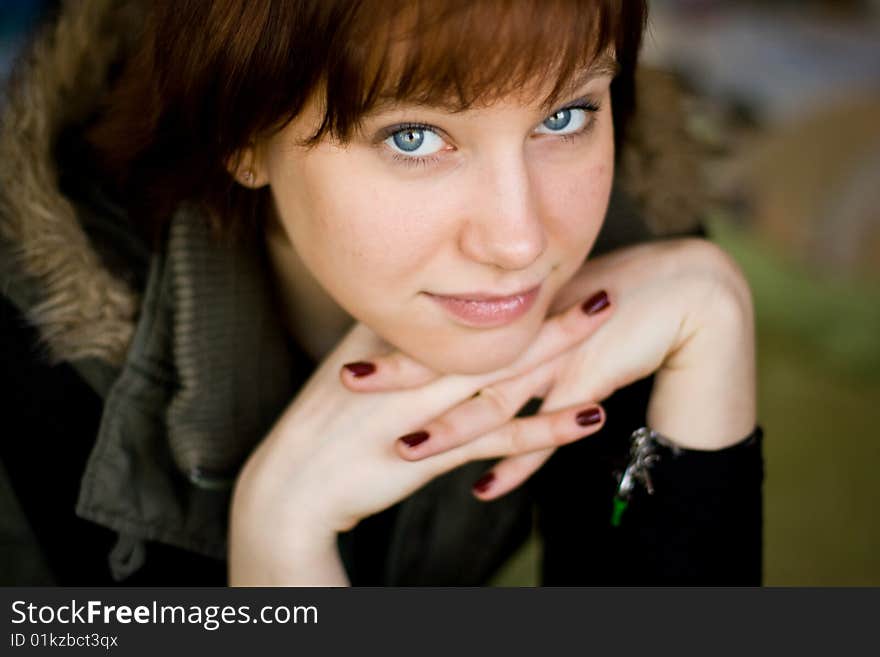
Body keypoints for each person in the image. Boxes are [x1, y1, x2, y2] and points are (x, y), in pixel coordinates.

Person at [0, 0, 763, 586]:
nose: (521, 241)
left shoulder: (639, 263)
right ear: (241, 133)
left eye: (563, 116)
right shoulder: (40, 362)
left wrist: (716, 324)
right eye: (414, 137)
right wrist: (279, 544)